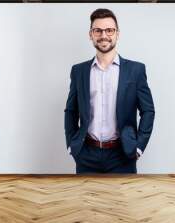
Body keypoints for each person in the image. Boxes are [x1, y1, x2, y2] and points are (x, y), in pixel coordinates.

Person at [64, 8, 155, 174]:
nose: (104, 35)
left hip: (123, 155)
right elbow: (71, 110)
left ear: (117, 34)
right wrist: (71, 144)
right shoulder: (79, 71)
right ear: (91, 34)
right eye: (98, 30)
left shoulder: (136, 70)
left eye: (109, 30)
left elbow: (148, 111)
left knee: (121, 200)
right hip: (86, 154)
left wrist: (139, 147)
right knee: (87, 200)